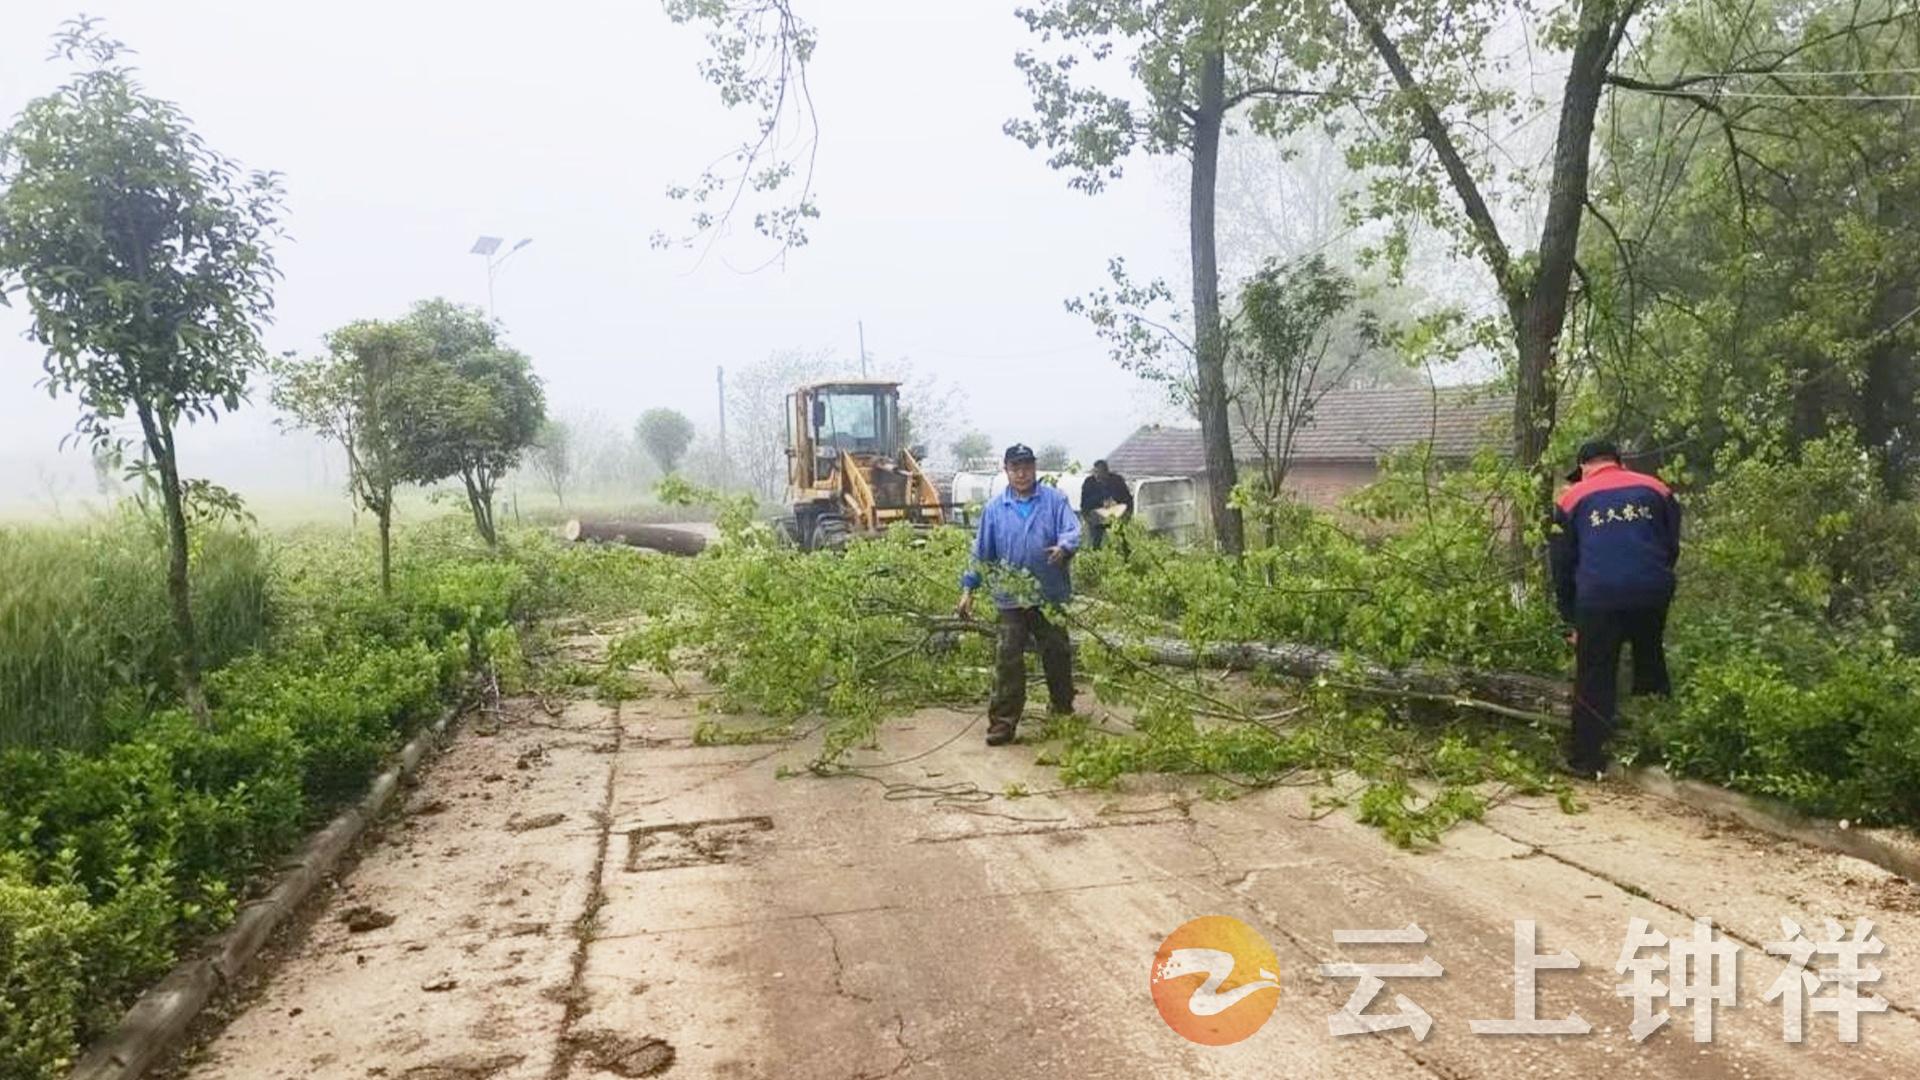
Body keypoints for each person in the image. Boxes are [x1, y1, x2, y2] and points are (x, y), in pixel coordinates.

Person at [1548, 439, 1682, 777]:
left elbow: (1562, 567)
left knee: (1595, 674)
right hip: (1653, 590)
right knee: (1649, 658)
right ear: (1618, 461)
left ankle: (1587, 761)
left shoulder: (1571, 498)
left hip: (1599, 595)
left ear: (1583, 467)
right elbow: (1671, 545)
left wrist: (1570, 621)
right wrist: (1653, 577)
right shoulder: (1657, 489)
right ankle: (1659, 747)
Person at [957, 444, 1081, 746]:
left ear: (1035, 468)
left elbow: (1072, 530)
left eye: (1026, 467)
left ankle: (1062, 709)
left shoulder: (1054, 501)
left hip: (1049, 595)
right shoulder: (995, 509)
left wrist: (1064, 548)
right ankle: (1003, 723)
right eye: (1015, 468)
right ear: (1006, 471)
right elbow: (981, 553)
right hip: (1010, 597)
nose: (1022, 473)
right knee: (1008, 657)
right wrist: (968, 589)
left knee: (1057, 652)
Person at [1078, 459, 1135, 551]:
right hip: (1095, 516)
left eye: (1100, 472)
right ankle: (1095, 554)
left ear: (1106, 472)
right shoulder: (1089, 482)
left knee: (1120, 536)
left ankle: (1124, 552)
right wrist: (1101, 501)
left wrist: (1116, 503)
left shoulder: (1117, 480)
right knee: (1096, 539)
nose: (1097, 475)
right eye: (1095, 472)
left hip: (1116, 514)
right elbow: (1085, 503)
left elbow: (1127, 499)